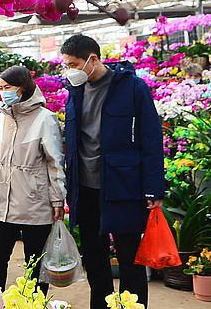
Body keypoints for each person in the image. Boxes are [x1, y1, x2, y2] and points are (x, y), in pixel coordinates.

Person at [61, 35, 164, 309]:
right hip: (85, 189)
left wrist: (153, 188)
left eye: (73, 64)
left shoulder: (132, 88)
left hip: (122, 187)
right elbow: (72, 143)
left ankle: (134, 305)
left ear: (93, 60)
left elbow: (151, 139)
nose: (68, 71)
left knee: (130, 258)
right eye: (66, 65)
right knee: (95, 259)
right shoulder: (75, 92)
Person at [0, 66, 66, 293]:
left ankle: (34, 304)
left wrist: (58, 200)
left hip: (34, 203)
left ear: (22, 87)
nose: (3, 93)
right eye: (0, 88)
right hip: (2, 203)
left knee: (36, 266)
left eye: (7, 87)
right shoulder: (3, 118)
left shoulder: (45, 119)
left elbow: (55, 163)